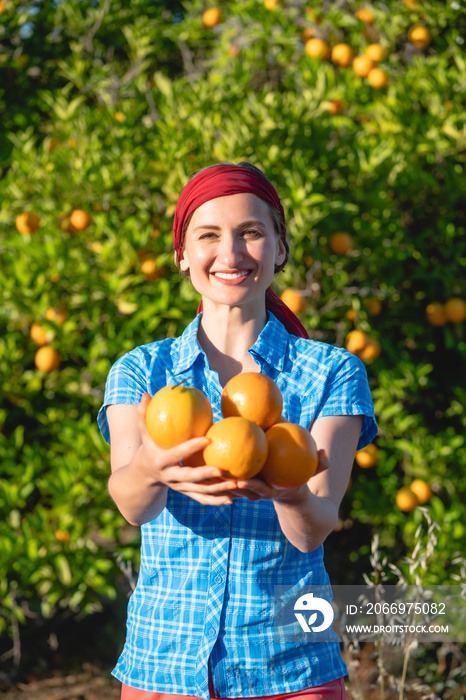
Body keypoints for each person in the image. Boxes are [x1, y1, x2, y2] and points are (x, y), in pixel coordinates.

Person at [97, 162, 377, 700]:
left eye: (250, 232)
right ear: (182, 254)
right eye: (208, 236)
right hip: (163, 667)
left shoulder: (332, 372)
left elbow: (314, 527)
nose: (230, 254)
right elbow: (131, 504)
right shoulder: (141, 372)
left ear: (279, 247)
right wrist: (153, 467)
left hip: (289, 669)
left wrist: (289, 491)